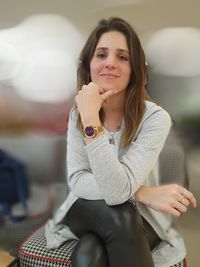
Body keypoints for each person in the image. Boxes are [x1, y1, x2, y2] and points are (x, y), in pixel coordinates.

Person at [45, 17, 197, 267]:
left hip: (141, 218)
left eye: (123, 57)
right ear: (89, 65)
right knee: (121, 214)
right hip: (84, 207)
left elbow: (117, 194)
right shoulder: (79, 114)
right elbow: (79, 181)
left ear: (136, 68)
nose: (110, 64)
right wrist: (143, 192)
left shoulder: (155, 118)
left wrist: (128, 192)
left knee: (90, 254)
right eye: (101, 54)